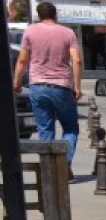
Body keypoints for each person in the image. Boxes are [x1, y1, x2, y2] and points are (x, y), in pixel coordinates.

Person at [12, 1, 82, 181]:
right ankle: (65, 163)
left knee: (45, 130)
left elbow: (22, 61)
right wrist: (77, 86)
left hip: (38, 86)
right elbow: (77, 60)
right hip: (62, 86)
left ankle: (49, 172)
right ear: (55, 14)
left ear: (38, 15)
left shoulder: (30, 31)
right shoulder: (68, 33)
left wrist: (17, 83)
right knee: (71, 127)